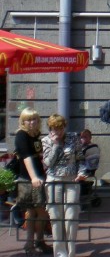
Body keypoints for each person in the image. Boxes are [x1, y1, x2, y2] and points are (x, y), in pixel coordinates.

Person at [42, 114, 88, 257]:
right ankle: (60, 253)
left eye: (61, 128)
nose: (59, 131)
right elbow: (48, 163)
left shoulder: (73, 137)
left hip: (71, 179)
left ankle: (71, 252)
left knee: (71, 216)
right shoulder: (46, 140)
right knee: (56, 217)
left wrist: (82, 173)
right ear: (50, 128)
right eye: (55, 128)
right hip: (54, 179)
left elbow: (81, 158)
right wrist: (55, 145)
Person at [14, 107, 51, 255]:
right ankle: (32, 243)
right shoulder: (21, 135)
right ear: (23, 121)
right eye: (28, 120)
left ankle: (36, 242)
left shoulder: (36, 135)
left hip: (39, 177)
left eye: (34, 119)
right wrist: (34, 177)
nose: (32, 122)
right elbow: (26, 157)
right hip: (29, 179)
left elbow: (39, 156)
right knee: (38, 211)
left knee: (37, 211)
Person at [79, 129, 101, 205]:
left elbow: (80, 159)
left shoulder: (92, 148)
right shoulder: (83, 147)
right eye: (81, 137)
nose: (82, 139)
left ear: (90, 138)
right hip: (86, 170)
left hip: (86, 171)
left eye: (85, 137)